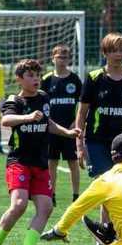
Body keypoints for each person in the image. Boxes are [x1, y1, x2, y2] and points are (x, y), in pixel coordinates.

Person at [0, 59, 80, 245]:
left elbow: (48, 123)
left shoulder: (44, 97)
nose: (35, 78)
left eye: (37, 75)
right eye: (30, 75)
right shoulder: (14, 101)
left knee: (45, 207)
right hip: (19, 162)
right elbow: (6, 121)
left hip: (40, 163)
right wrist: (27, 117)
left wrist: (67, 132)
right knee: (18, 205)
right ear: (19, 79)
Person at [76, 33, 122, 178]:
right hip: (96, 141)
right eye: (113, 50)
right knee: (104, 182)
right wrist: (79, 145)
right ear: (105, 53)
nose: (118, 54)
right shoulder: (94, 78)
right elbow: (81, 114)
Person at [42, 44, 82, 202]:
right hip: (52, 129)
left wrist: (75, 122)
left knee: (73, 162)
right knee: (52, 162)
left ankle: (76, 195)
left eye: (65, 57)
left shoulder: (74, 80)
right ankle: (51, 193)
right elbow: (41, 102)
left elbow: (83, 103)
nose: (62, 60)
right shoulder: (46, 80)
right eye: (59, 57)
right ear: (53, 58)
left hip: (70, 129)